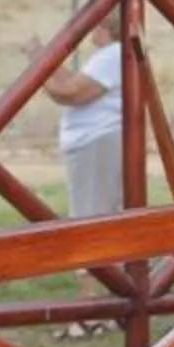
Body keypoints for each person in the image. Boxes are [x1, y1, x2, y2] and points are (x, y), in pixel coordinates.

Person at [47, 22, 127, 219]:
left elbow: (69, 93)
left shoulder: (112, 54)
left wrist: (38, 68)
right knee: (97, 211)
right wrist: (46, 61)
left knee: (92, 216)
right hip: (95, 140)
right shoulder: (109, 55)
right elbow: (74, 82)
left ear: (105, 26)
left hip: (96, 139)